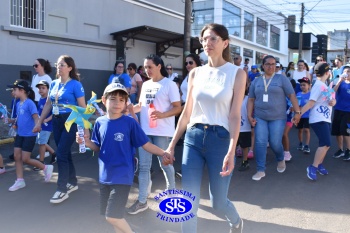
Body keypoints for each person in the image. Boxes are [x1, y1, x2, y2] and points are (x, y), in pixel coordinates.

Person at [165, 23, 245, 233]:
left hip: (220, 140)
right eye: (204, 39)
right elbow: (187, 112)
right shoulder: (195, 73)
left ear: (225, 43)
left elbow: (235, 115)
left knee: (217, 202)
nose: (207, 43)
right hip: (193, 137)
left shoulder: (236, 73)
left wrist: (231, 149)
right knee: (188, 199)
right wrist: (172, 144)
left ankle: (236, 221)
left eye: (213, 39)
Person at [76, 83, 169, 233]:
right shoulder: (99, 122)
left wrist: (163, 152)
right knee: (116, 218)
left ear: (126, 102)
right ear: (104, 100)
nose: (117, 103)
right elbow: (97, 147)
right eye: (113, 99)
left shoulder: (130, 122)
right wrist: (86, 142)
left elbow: (146, 144)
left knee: (111, 216)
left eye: (121, 99)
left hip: (123, 176)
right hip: (105, 176)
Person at [127, 54, 181, 215]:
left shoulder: (169, 85)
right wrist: (127, 110)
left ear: (159, 66)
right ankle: (142, 201)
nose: (147, 70)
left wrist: (162, 115)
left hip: (162, 132)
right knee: (143, 167)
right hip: (145, 132)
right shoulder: (145, 85)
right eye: (145, 67)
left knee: (165, 164)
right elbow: (141, 106)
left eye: (150, 67)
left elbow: (178, 107)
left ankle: (171, 194)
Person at [33, 55, 87, 203]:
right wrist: (39, 122)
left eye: (62, 65)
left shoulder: (75, 85)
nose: (59, 67)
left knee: (61, 153)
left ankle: (62, 189)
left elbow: (83, 107)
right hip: (56, 121)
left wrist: (85, 129)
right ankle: (73, 181)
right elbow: (48, 105)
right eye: (58, 64)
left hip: (70, 120)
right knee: (65, 152)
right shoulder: (54, 83)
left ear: (70, 68)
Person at [248, 55, 301, 181]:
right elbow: (251, 100)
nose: (271, 66)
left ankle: (280, 157)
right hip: (260, 116)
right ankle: (260, 170)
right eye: (268, 64)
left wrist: (297, 112)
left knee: (275, 142)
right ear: (263, 66)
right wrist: (250, 116)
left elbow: (292, 96)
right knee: (260, 142)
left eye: (273, 64)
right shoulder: (256, 81)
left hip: (278, 117)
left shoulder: (281, 79)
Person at [6, 79, 54, 191]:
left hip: (29, 135)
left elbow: (36, 117)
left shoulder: (30, 103)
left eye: (15, 89)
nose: (13, 92)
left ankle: (45, 168)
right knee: (17, 157)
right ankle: (20, 180)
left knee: (25, 159)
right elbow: (18, 119)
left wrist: (37, 126)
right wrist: (11, 120)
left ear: (22, 90)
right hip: (20, 134)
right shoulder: (18, 104)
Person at [299, 63, 336, 181]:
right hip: (318, 118)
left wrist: (333, 102)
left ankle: (319, 164)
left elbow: (330, 100)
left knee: (324, 144)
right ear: (327, 72)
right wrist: (299, 115)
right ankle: (313, 167)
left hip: (325, 117)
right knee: (326, 143)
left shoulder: (325, 85)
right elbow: (311, 102)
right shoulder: (318, 85)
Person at [33, 80, 56, 171]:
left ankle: (41, 162)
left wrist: (46, 119)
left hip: (47, 125)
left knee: (42, 143)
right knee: (41, 142)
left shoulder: (49, 100)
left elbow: (54, 112)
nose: (40, 90)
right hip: (41, 125)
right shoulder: (40, 100)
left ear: (48, 89)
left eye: (43, 88)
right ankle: (54, 154)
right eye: (39, 88)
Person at [331, 65, 350, 160]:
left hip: (348, 111)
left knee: (345, 131)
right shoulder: (340, 83)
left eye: (348, 72)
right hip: (338, 109)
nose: (347, 73)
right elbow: (333, 91)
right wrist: (339, 81)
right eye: (345, 71)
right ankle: (340, 149)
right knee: (337, 131)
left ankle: (348, 150)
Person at [296, 77, 311, 153]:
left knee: (306, 130)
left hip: (308, 115)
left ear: (309, 85)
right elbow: (296, 104)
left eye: (304, 85)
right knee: (300, 130)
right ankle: (301, 143)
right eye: (301, 85)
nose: (302, 86)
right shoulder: (298, 94)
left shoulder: (311, 94)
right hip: (300, 115)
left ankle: (307, 145)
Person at [238, 87, 252, 171]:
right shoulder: (233, 97)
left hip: (245, 126)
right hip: (234, 126)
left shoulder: (248, 99)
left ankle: (245, 161)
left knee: (244, 146)